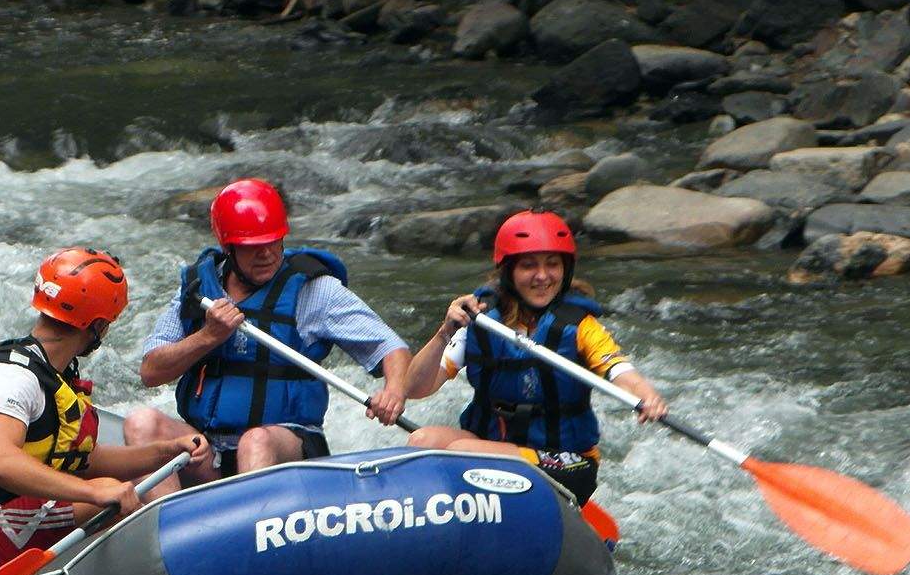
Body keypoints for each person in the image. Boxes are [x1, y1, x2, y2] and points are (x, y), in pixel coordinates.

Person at [0, 247, 207, 575]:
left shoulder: (54, 375)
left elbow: (84, 461)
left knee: (106, 486)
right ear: (99, 326)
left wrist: (167, 451)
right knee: (105, 493)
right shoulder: (12, 377)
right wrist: (92, 492)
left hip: (7, 515)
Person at [124, 178, 411, 495]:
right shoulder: (197, 290)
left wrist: (394, 390)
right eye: (252, 246)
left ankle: (251, 521)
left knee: (255, 440)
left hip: (283, 448)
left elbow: (390, 346)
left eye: (273, 241)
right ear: (228, 247)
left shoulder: (314, 290)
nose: (267, 254)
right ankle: (166, 523)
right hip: (209, 451)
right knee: (141, 422)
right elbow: (151, 371)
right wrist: (208, 336)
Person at [403, 210, 667, 504]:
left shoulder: (581, 327)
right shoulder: (481, 320)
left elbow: (619, 371)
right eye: (529, 266)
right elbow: (414, 389)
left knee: (460, 452)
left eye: (552, 264)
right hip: (494, 447)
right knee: (421, 441)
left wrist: (647, 396)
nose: (542, 276)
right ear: (509, 272)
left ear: (565, 269)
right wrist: (444, 332)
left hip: (566, 462)